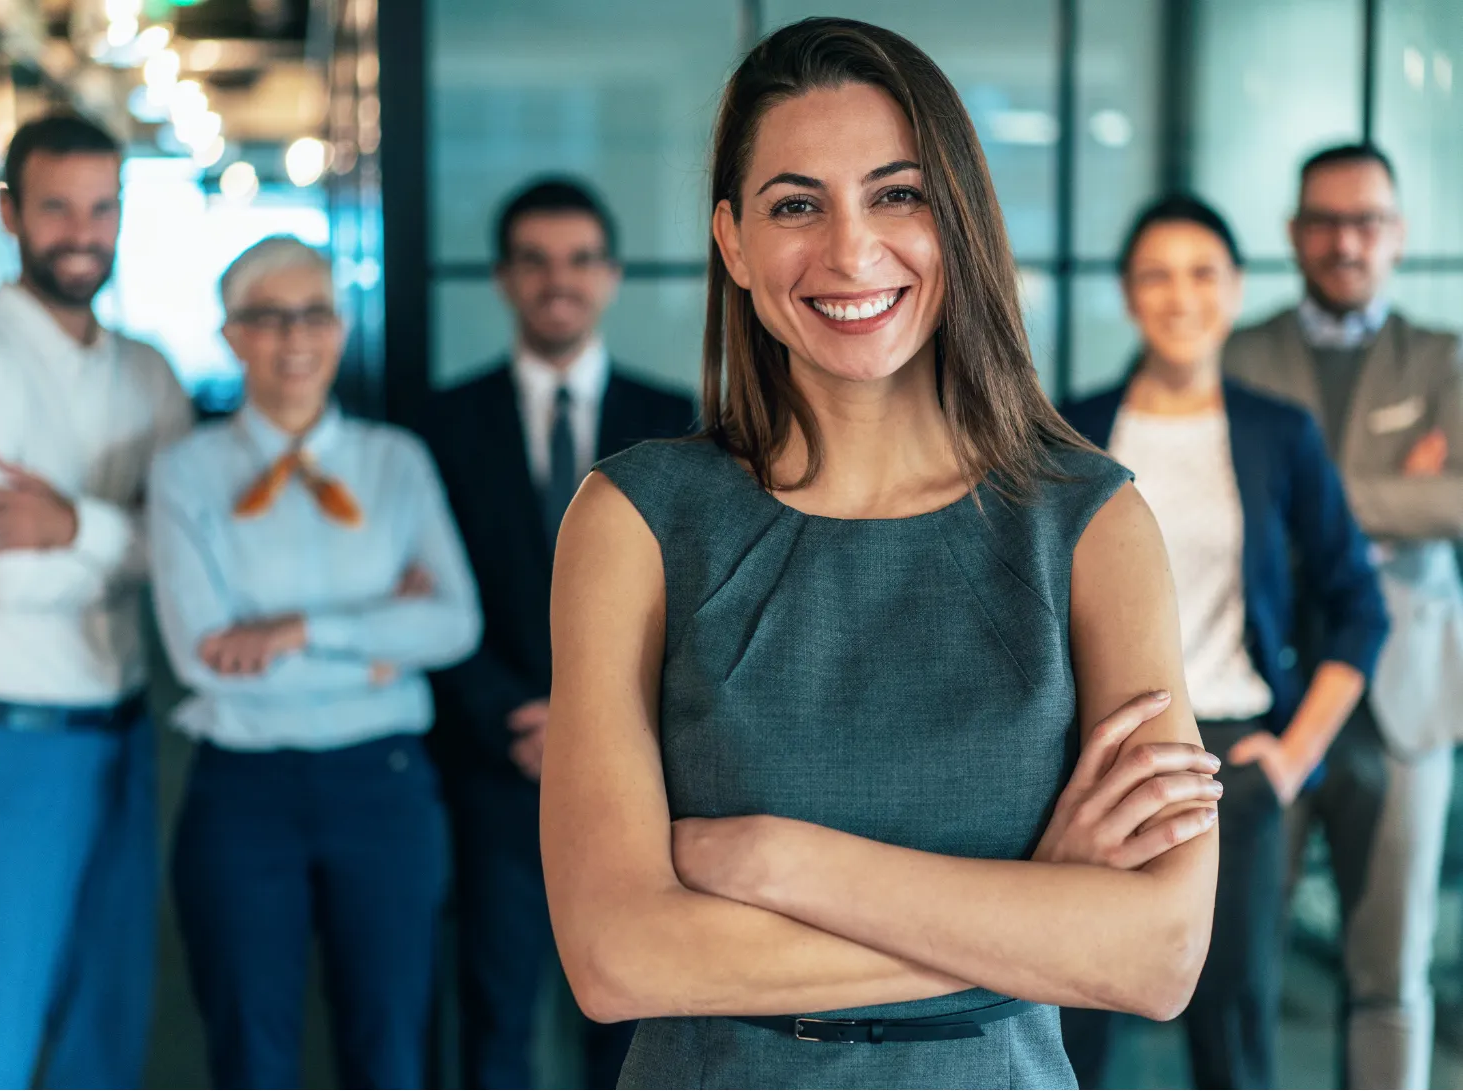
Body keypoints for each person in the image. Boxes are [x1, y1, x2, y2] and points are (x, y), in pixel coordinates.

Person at [540, 18, 1225, 1089]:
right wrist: (1031, 907)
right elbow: (618, 956)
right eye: (795, 204)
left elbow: (1159, 953)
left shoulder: (1088, 523)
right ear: (731, 241)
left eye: (896, 194)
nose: (851, 251)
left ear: (955, 217)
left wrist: (772, 859)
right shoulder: (632, 519)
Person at [1056, 195, 1389, 1089]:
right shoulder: (1069, 429)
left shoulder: (1278, 433)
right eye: (1155, 274)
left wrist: (1291, 759)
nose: (1180, 295)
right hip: (1095, 763)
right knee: (1070, 1020)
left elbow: (1358, 605)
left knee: (1231, 1027)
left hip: (1229, 767)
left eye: (1202, 273)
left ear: (1236, 290)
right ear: (1127, 294)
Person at [146, 236, 482, 1089]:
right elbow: (204, 658)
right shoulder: (185, 472)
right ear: (230, 336)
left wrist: (296, 633)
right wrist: (380, 641)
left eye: (315, 314)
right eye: (268, 317)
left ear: (339, 328)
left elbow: (454, 625)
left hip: (383, 784)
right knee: (251, 1051)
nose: (295, 338)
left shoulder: (395, 460)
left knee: (390, 1046)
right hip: (242, 789)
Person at [421, 177, 695, 1089]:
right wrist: (516, 716)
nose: (558, 281)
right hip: (499, 762)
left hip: (639, 776)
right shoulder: (440, 426)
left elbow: (695, 603)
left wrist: (602, 725)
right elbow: (428, 598)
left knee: (624, 1021)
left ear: (611, 275)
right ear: (502, 278)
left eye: (579, 259)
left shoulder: (680, 426)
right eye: (534, 261)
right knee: (495, 1012)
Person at [1222, 143, 1462, 1091]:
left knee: (1389, 973)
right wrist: (1393, 495)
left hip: (1404, 701)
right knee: (1239, 959)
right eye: (1324, 220)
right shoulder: (1241, 354)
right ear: (1293, 234)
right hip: (1264, 693)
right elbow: (1221, 509)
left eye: (1367, 220)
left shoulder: (1442, 358)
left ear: (1398, 235)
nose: (1346, 240)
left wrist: (1306, 495)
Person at [0, 113, 191, 1088]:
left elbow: (193, 556)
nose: (82, 232)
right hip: (11, 749)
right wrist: (122, 530)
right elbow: (8, 576)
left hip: (128, 736)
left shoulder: (149, 372)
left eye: (102, 208)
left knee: (111, 1033)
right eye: (56, 206)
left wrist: (72, 527)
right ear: (10, 212)